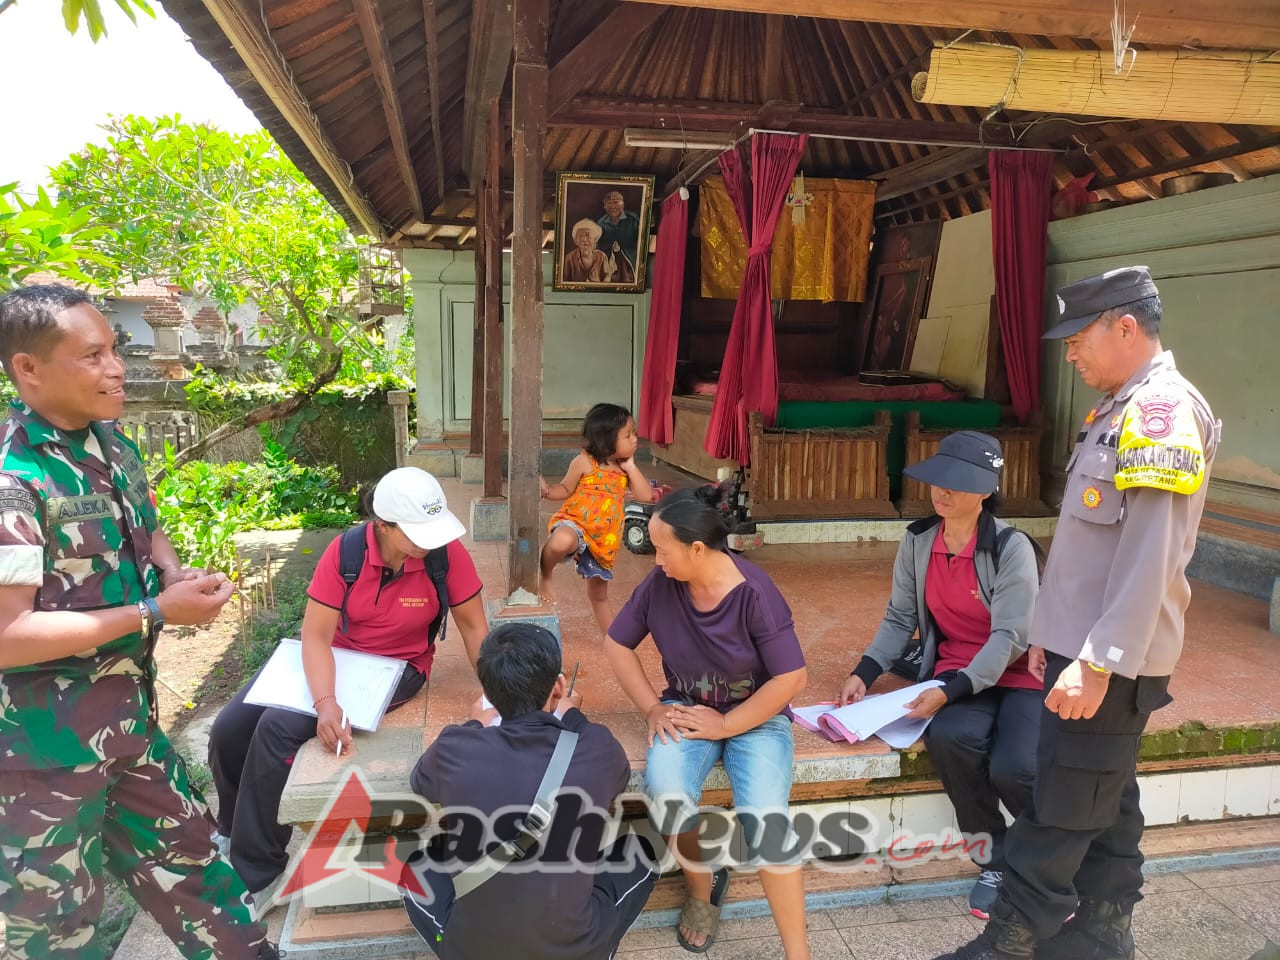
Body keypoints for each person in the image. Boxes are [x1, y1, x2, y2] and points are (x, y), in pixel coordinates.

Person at [938, 266, 1220, 960]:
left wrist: (1095, 663)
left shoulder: (1161, 413)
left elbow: (1148, 556)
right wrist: (1051, 637)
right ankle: (1103, 931)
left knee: (1060, 808)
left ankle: (1007, 943)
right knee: (1107, 798)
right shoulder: (1117, 408)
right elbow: (1091, 551)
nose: (1069, 353)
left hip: (1110, 661)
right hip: (1084, 649)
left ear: (1125, 327)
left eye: (1078, 338)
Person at [0, 284, 277, 959]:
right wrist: (154, 611)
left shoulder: (114, 446)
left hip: (133, 731)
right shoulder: (15, 481)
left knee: (207, 884)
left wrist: (174, 575)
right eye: (92, 355)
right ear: (27, 370)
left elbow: (147, 536)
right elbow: (7, 638)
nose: (117, 367)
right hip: (45, 762)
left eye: (115, 349)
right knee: (59, 935)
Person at [208, 467, 490, 917]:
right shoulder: (347, 552)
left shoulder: (444, 555)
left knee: (277, 728)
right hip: (334, 654)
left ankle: (257, 873)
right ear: (383, 524)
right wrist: (326, 702)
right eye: (417, 532)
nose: (430, 540)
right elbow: (316, 636)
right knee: (230, 727)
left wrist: (496, 694)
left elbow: (474, 626)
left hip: (396, 668)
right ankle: (231, 827)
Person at [838, 431, 1042, 920]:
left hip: (1016, 673)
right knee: (950, 742)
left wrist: (948, 694)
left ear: (987, 490)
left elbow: (1011, 637)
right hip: (955, 668)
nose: (942, 493)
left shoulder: (1013, 548)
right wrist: (864, 672)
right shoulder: (918, 540)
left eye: (957, 483)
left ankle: (1045, 857)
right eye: (937, 481)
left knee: (1014, 768)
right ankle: (993, 858)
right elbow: (898, 616)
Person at [604, 486, 810, 958]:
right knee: (667, 794)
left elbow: (791, 678)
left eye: (662, 550)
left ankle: (799, 953)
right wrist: (652, 709)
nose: (656, 562)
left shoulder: (755, 594)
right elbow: (617, 645)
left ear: (697, 548)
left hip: (756, 716)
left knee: (766, 820)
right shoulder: (661, 586)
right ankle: (702, 885)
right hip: (685, 708)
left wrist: (726, 724)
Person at [401, 621, 658, 960]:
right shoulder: (597, 748)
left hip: (472, 950)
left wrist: (475, 722)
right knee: (640, 851)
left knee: (418, 865)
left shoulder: (455, 748)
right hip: (578, 948)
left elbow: (420, 782)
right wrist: (574, 716)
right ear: (559, 686)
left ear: (488, 694)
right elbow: (619, 778)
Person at [540, 402, 653, 636]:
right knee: (562, 540)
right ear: (606, 439)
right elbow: (565, 488)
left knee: (598, 595)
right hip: (576, 524)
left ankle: (612, 639)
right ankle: (545, 574)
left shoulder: (624, 469)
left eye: (634, 433)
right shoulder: (584, 462)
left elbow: (646, 496)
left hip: (603, 541)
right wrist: (548, 491)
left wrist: (631, 467)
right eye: (628, 435)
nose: (635, 439)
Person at [596, 190, 641, 277]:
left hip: (631, 260)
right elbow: (598, 246)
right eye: (609, 203)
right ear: (604, 207)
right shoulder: (601, 223)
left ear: (623, 204)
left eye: (616, 202)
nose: (613, 206)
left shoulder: (633, 219)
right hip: (609, 264)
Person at [562, 219, 617, 284]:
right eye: (580, 236)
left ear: (595, 239)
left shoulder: (602, 256)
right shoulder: (569, 257)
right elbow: (565, 279)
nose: (584, 239)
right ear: (575, 241)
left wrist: (603, 287)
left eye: (588, 236)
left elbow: (607, 275)